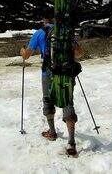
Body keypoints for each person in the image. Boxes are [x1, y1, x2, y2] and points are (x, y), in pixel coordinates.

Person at [20, 11, 84, 155]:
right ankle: (71, 142)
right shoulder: (65, 32)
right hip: (66, 73)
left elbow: (27, 55)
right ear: (55, 18)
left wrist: (22, 51)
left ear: (44, 19)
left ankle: (52, 131)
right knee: (68, 101)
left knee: (48, 99)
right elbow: (79, 53)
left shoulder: (40, 33)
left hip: (48, 72)